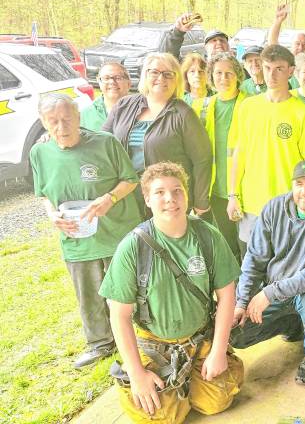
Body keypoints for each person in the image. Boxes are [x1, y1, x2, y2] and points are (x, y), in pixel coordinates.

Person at [99, 162, 244, 423]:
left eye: (177, 191)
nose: (170, 199)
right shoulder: (132, 247)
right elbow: (119, 316)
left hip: (198, 338)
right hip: (154, 343)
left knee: (217, 401)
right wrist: (136, 374)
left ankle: (188, 382)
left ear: (186, 195)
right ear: (147, 199)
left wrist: (219, 350)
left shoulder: (207, 236)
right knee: (160, 416)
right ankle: (173, 386)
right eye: (160, 192)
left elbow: (227, 295)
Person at [30, 93, 142, 368]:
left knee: (132, 290)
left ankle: (145, 336)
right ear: (44, 123)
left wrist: (109, 199)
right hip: (76, 237)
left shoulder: (106, 143)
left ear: (78, 117)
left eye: (66, 119)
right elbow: (43, 194)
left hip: (116, 234)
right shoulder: (39, 153)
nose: (61, 127)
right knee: (88, 294)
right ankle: (100, 343)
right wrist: (52, 215)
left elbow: (131, 179)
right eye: (53, 121)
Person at [230, 160, 305, 385]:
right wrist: (242, 302)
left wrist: (269, 294)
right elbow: (254, 258)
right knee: (237, 334)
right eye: (299, 183)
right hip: (275, 286)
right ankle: (293, 324)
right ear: (292, 186)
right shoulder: (273, 208)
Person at [227, 45, 305, 245]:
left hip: (288, 205)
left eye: (279, 69)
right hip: (251, 205)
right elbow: (239, 154)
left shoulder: (303, 113)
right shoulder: (248, 107)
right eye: (267, 68)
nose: (272, 74)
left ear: (290, 71)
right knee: (250, 267)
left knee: (285, 269)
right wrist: (233, 195)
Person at [102, 53, 212, 218]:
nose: (161, 78)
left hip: (166, 200)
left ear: (177, 81)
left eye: (168, 74)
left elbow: (202, 160)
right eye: (154, 72)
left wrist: (200, 204)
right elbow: (102, 142)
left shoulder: (183, 114)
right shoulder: (124, 105)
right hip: (125, 196)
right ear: (145, 75)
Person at [191, 53, 247, 260]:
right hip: (216, 189)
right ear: (211, 77)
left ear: (238, 76)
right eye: (218, 73)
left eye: (229, 73)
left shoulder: (250, 105)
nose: (223, 78)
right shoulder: (201, 107)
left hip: (245, 189)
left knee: (248, 246)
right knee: (227, 245)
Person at [81, 62, 131, 131]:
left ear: (129, 83)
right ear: (99, 81)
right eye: (106, 78)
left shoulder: (139, 111)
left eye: (118, 78)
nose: (112, 82)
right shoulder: (86, 114)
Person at [164, 12, 230, 59]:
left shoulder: (237, 67)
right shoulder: (196, 66)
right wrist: (178, 32)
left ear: (228, 46)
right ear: (206, 47)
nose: (219, 43)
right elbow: (170, 59)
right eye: (214, 40)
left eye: (222, 40)